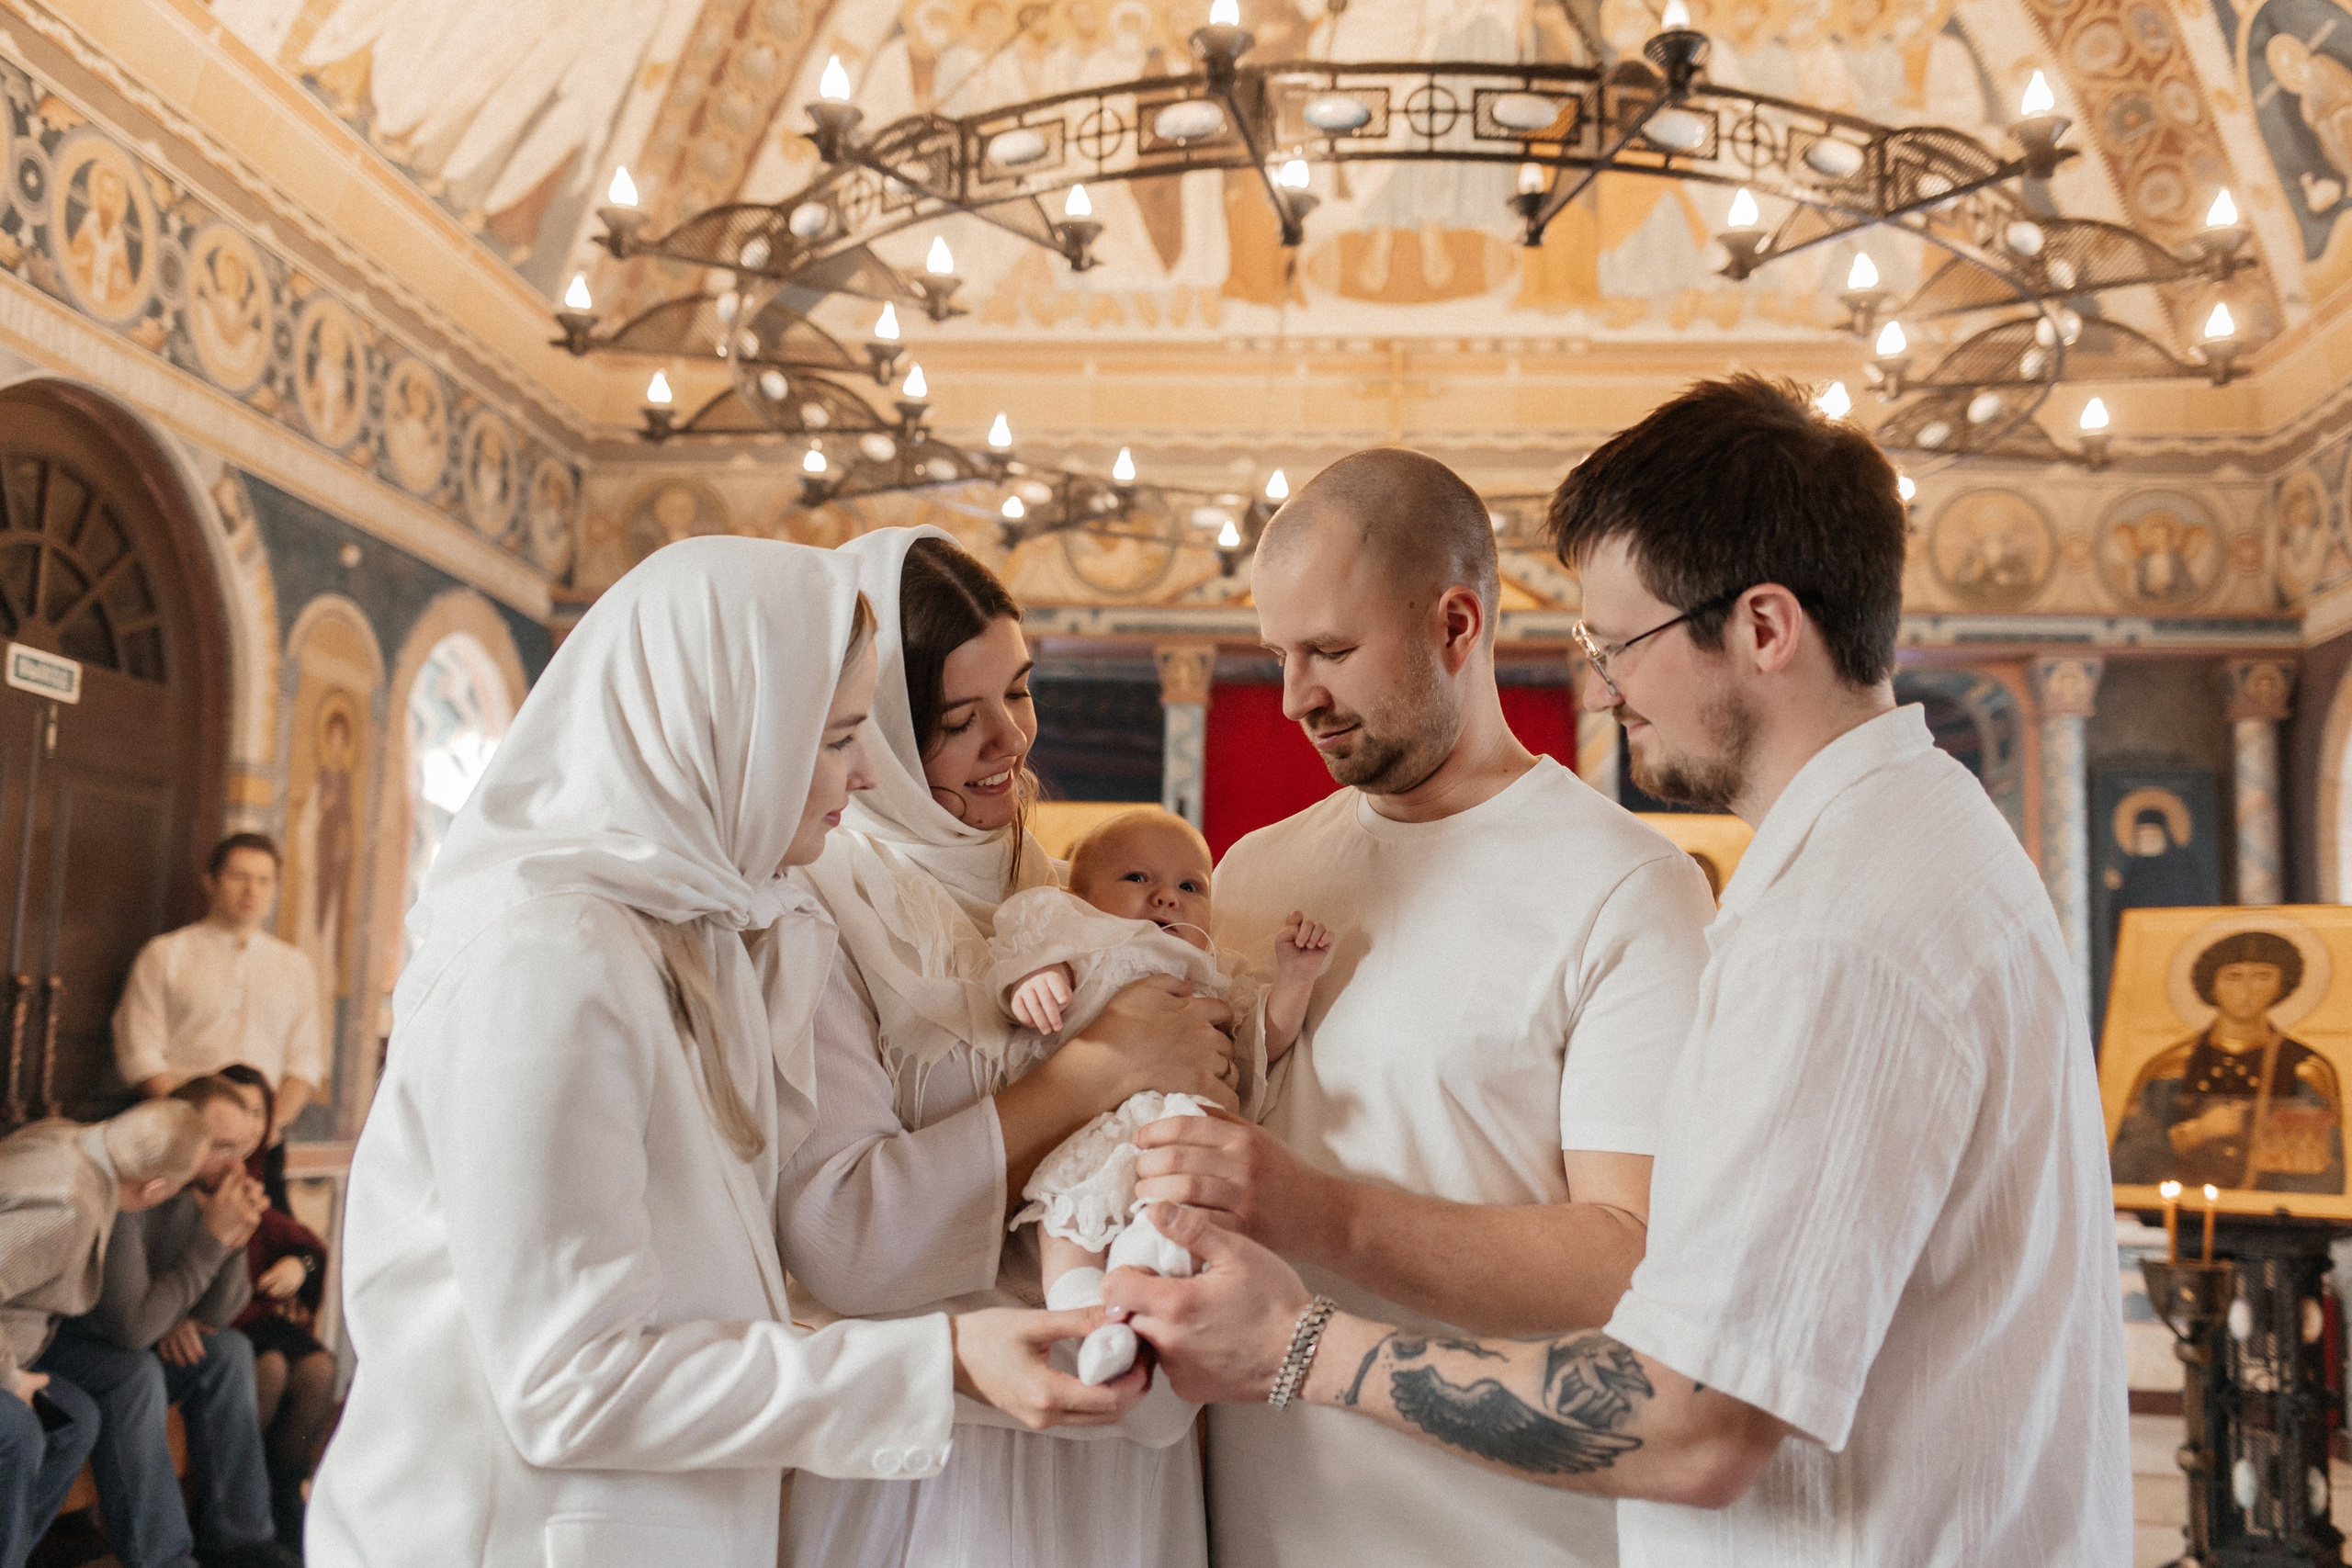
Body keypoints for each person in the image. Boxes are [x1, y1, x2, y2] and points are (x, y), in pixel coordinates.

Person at [1112, 375, 2132, 1566]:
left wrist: (1298, 1337)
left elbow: (1694, 1415)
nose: (1601, 685)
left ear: (1762, 627)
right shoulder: (1917, 840)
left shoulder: (1828, 929)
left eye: (1622, 642)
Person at [307, 538, 1147, 1568]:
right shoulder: (546, 959)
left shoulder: (697, 926)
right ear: (721, 730)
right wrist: (939, 1363)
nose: (871, 769)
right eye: (837, 735)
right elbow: (573, 1384)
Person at [1093, 447, 1713, 1568]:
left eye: (1330, 650)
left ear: (1456, 627)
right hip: (1249, 1523)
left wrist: (1311, 1210)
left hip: (1510, 1535)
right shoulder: (1247, 875)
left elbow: (1636, 1256)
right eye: (1279, 656)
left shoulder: (1631, 888)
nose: (1294, 699)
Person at [781, 527, 1241, 1568]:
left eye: (1020, 695)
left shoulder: (1068, 885)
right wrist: (1103, 1068)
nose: (1011, 742)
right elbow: (843, 1233)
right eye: (956, 721)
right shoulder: (818, 905)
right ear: (880, 733)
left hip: (1118, 1436)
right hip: (940, 1450)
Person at [992, 807, 1334, 1384]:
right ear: (1079, 893)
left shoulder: (1210, 969)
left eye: (1189, 886)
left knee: (1176, 1199)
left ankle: (1141, 1285)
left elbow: (1259, 1042)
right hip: (1090, 1127)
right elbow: (1018, 951)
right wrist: (1034, 978)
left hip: (1177, 1124)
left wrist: (1295, 981)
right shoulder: (1076, 935)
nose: (1166, 898)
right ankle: (1088, 1318)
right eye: (1136, 878)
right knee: (1064, 1218)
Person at [41, 1077, 276, 1568]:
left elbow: (213, 1316)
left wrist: (234, 1236)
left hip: (131, 1339)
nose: (235, 1164)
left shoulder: (203, 1190)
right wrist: (209, 1244)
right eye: (221, 1147)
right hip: (67, 1343)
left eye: (242, 1148)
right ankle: (164, 1560)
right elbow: (131, 1329)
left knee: (228, 1350)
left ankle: (240, 1543)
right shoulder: (140, 1189)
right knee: (136, 1371)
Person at [0, 1100, 208, 1568]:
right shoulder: (69, 1205)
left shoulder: (70, 1134)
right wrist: (10, 1379)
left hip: (30, 1339)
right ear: (154, 1189)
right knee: (31, 1428)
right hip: (8, 1354)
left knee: (87, 1410)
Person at [114, 833, 323, 1201]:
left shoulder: (295, 967)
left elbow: (304, 1063)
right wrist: (198, 1124)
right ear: (210, 882)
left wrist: (263, 1128)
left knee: (270, 1247)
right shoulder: (165, 954)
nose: (251, 890)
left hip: (261, 1146)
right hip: (177, 1138)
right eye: (238, 876)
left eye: (264, 880)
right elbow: (140, 1053)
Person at [2111, 930, 2345, 1192]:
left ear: (2281, 986)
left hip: (2281, 1227)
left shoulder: (2306, 1069)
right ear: (2211, 985)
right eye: (2232, 977)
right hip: (2186, 1221)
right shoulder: (2169, 1068)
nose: (2246, 990)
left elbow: (2329, 1177)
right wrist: (2195, 1133)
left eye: (2262, 977)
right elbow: (2123, 1167)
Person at [216, 1066, 334, 1552]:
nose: (247, 1126)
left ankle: (284, 1496)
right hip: (227, 1312)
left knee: (320, 1369)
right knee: (268, 1369)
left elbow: (289, 1231)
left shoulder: (268, 1159)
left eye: (257, 1112)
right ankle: (239, 1511)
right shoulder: (206, 1170)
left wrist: (299, 1266)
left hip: (263, 1309)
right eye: (238, 1112)